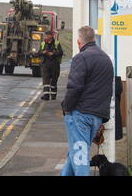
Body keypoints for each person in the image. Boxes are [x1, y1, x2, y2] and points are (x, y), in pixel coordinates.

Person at [60, 26, 114, 176]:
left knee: (79, 157)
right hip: (97, 116)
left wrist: (66, 108)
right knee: (76, 153)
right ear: (93, 39)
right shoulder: (106, 59)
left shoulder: (80, 58)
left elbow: (74, 87)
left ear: (79, 42)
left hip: (80, 115)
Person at [39, 31, 64, 101]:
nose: (45, 37)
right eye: (45, 36)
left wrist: (53, 54)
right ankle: (46, 95)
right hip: (45, 64)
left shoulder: (56, 43)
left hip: (54, 65)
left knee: (54, 80)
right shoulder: (43, 43)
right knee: (45, 80)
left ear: (51, 36)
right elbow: (39, 52)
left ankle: (53, 96)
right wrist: (43, 52)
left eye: (47, 35)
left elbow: (61, 52)